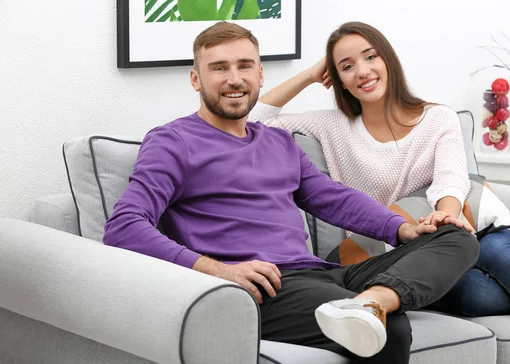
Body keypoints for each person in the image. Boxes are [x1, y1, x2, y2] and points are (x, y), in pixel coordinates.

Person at [103, 21, 480, 363]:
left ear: (261, 74)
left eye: (245, 66)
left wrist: (403, 230)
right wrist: (217, 271)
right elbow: (124, 227)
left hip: (321, 275)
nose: (234, 78)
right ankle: (371, 308)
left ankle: (373, 300)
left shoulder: (277, 142)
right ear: (195, 79)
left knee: (455, 235)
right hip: (260, 289)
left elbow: (332, 198)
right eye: (219, 68)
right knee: (389, 330)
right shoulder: (173, 142)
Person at [249, 21, 510, 364]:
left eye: (371, 57)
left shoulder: (437, 117)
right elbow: (251, 122)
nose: (363, 71)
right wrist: (310, 74)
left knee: (498, 252)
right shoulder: (331, 126)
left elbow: (451, 177)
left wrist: (448, 213)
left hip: (458, 229)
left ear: (388, 60)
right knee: (479, 296)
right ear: (337, 79)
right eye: (347, 66)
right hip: (404, 253)